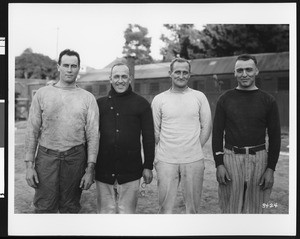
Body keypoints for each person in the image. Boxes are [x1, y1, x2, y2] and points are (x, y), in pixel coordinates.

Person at [25, 49, 99, 213]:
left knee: (70, 208)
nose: (69, 69)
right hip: (46, 157)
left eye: (74, 66)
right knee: (44, 207)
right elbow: (32, 131)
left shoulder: (87, 98)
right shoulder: (43, 94)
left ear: (79, 68)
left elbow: (93, 136)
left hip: (75, 157)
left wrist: (90, 169)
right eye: (66, 65)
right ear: (58, 66)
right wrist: (29, 166)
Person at [212, 54, 281, 214]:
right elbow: (217, 134)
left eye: (249, 69)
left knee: (256, 209)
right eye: (240, 70)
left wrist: (271, 169)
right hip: (231, 158)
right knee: (230, 209)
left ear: (256, 71)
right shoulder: (225, 99)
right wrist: (219, 164)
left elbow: (275, 137)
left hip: (259, 159)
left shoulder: (268, 100)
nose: (244, 74)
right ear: (235, 73)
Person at [151, 58, 212, 214]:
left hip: (193, 160)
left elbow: (207, 126)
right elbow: (155, 131)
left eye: (185, 72)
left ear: (190, 75)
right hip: (166, 161)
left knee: (192, 209)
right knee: (165, 208)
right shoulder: (159, 99)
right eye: (177, 72)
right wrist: (165, 151)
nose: (181, 75)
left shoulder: (199, 97)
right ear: (170, 74)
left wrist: (195, 147)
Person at [95, 62, 155, 214]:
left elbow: (148, 138)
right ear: (110, 79)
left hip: (131, 171)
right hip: (103, 170)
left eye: (124, 76)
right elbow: (91, 136)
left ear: (130, 79)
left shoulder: (142, 104)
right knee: (105, 214)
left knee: (127, 216)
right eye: (116, 76)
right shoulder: (99, 104)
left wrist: (148, 165)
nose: (120, 80)